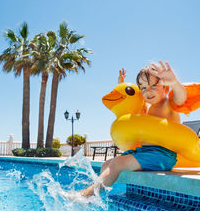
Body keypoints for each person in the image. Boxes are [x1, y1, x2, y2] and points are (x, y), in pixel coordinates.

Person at [80, 60, 187, 197]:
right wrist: (121, 84)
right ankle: (96, 191)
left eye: (154, 85)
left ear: (165, 88)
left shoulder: (168, 105)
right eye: (143, 88)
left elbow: (181, 98)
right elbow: (131, 98)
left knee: (118, 163)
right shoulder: (147, 107)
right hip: (146, 153)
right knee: (107, 163)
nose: (148, 91)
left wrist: (174, 83)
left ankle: (86, 195)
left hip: (162, 156)